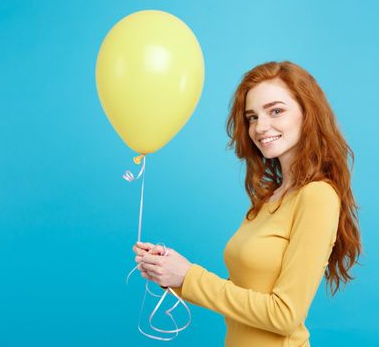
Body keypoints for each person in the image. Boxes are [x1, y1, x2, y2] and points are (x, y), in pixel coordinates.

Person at [132, 60, 362, 346]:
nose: (260, 127)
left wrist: (190, 276)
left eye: (276, 111)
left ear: (308, 113)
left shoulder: (317, 197)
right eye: (252, 117)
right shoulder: (270, 199)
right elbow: (241, 297)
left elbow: (285, 315)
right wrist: (174, 275)